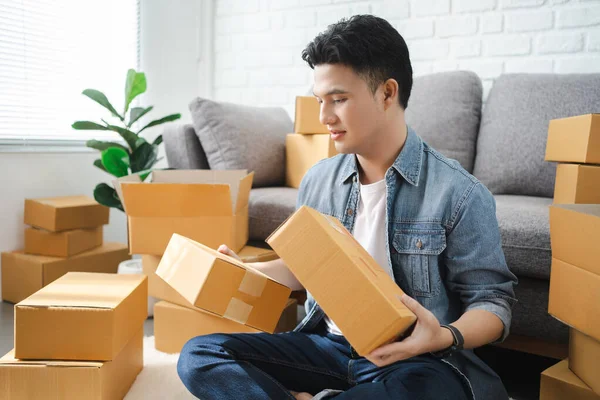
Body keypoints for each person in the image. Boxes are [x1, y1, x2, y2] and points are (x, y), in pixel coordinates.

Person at [177, 14, 517, 400]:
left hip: (414, 361)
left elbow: (493, 302)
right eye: (321, 101)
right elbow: (305, 268)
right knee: (199, 356)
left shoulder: (459, 193)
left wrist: (442, 336)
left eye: (338, 100)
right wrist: (243, 270)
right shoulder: (319, 180)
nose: (324, 117)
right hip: (329, 349)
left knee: (434, 390)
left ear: (387, 93)